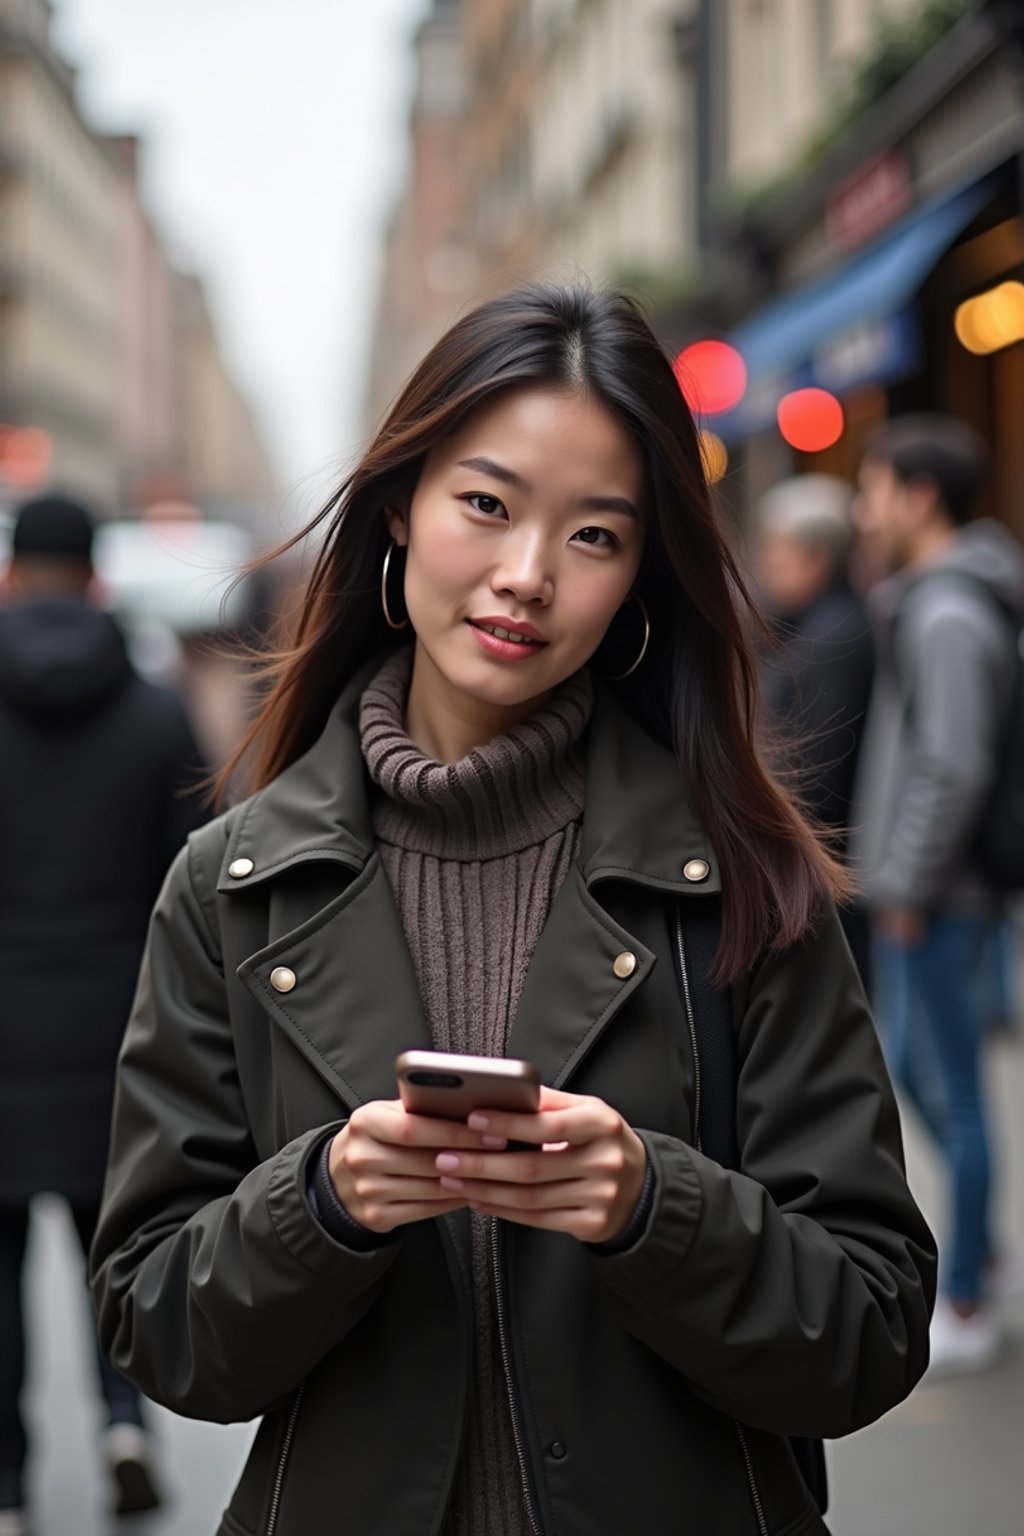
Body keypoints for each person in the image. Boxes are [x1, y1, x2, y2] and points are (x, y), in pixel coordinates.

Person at [90, 286, 935, 1536]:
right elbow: (158, 1327)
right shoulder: (231, 890)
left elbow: (868, 1326)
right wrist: (323, 1201)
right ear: (398, 510)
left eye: (595, 536)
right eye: (485, 505)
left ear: (644, 572)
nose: (526, 576)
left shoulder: (745, 879)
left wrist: (653, 1204)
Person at [0, 495, 207, 1533]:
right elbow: (196, 882)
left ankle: (6, 1485)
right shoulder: (156, 712)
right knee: (107, 1249)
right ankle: (125, 1423)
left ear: (11, 574)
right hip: (115, 1031)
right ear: (95, 578)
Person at [851, 413, 1024, 1377]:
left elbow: (951, 764)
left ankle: (966, 1288)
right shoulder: (934, 599)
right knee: (921, 1071)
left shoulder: (947, 611)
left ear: (920, 496)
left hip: (941, 896)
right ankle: (983, 1258)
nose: (864, 510)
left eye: (875, 488)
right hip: (934, 890)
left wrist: (908, 883)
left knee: (954, 1096)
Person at [755, 474, 875, 985]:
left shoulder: (833, 638)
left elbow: (817, 771)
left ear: (815, 558)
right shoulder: (812, 623)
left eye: (777, 551)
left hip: (826, 865)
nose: (766, 564)